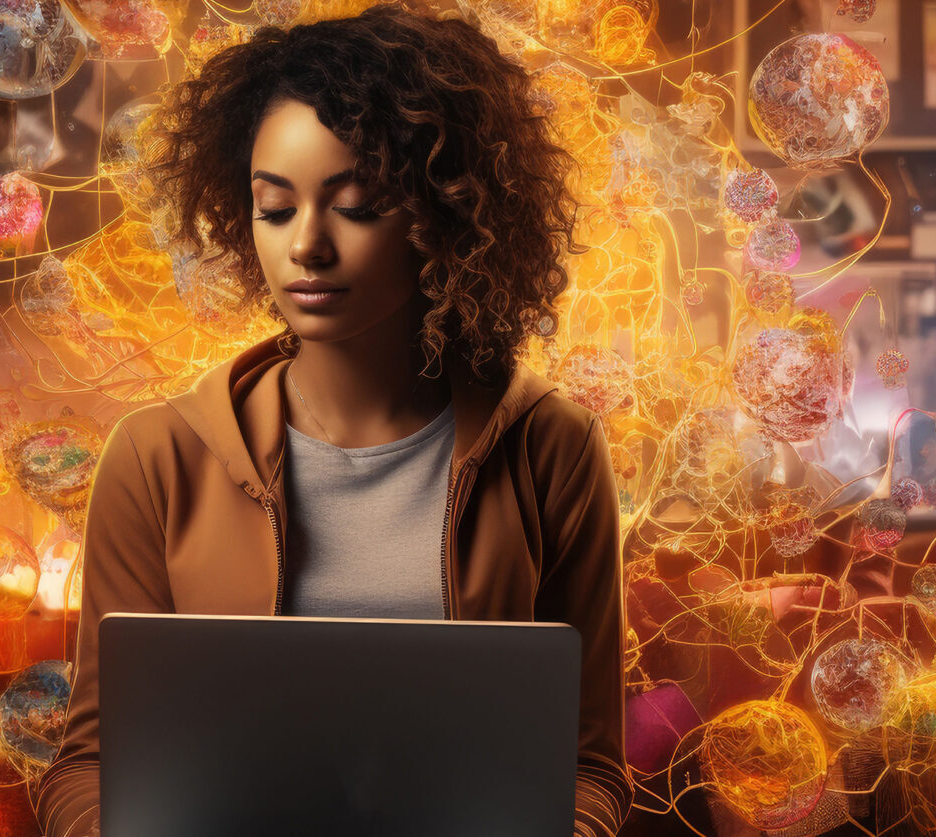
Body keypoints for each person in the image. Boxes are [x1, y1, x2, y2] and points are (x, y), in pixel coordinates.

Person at [33, 4, 631, 835]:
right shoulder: (156, 456)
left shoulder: (554, 449)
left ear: (448, 213)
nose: (306, 246)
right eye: (274, 209)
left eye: (356, 205)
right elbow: (89, 769)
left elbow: (590, 768)